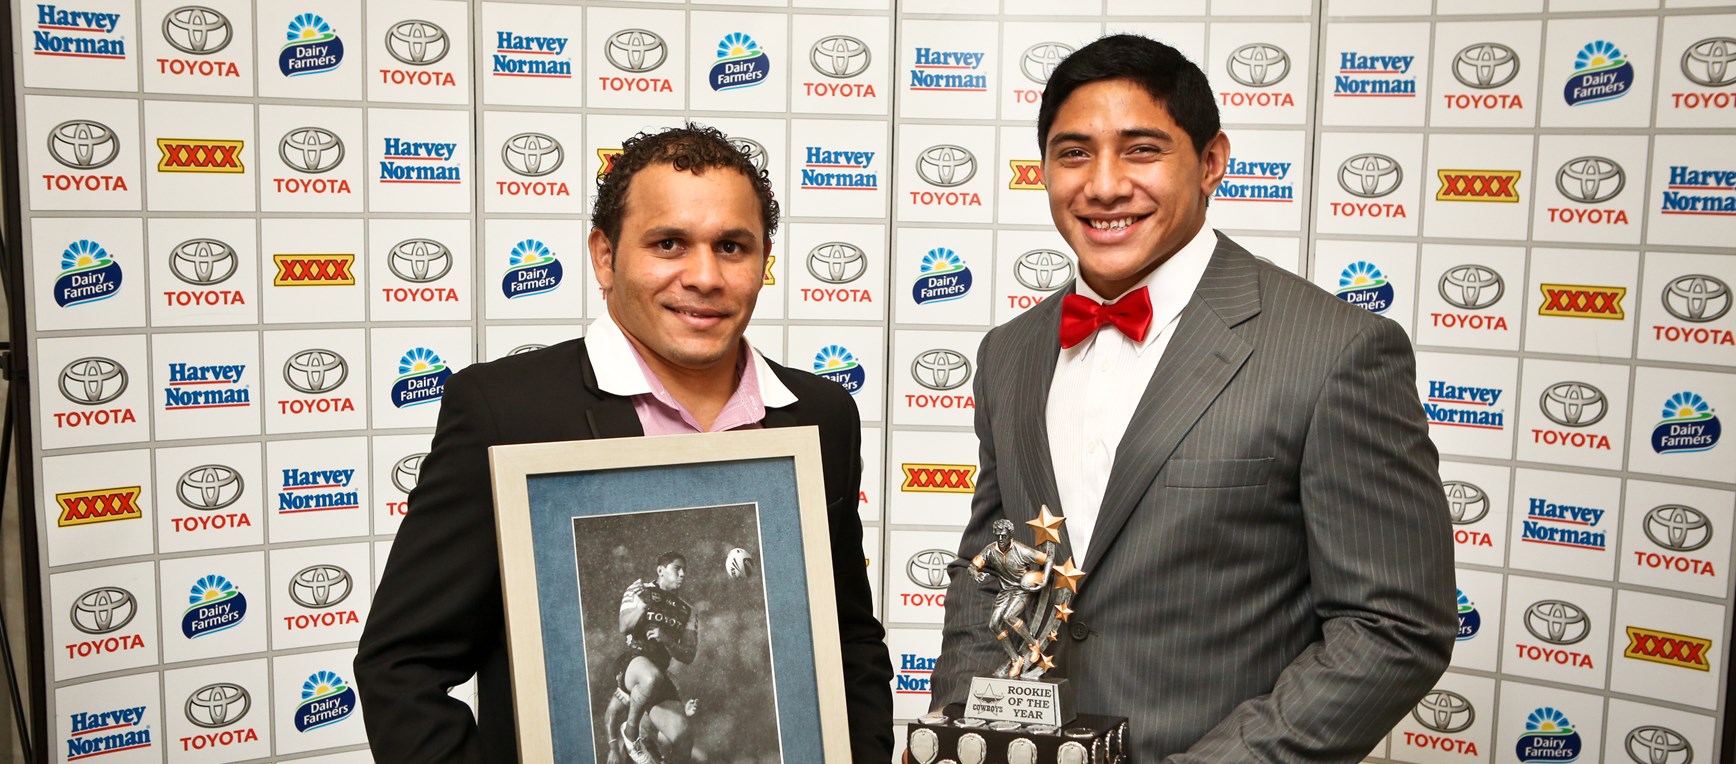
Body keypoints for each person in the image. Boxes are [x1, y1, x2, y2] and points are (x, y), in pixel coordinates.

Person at [929, 34, 1456, 760]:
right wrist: (960, 735)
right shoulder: (1009, 353)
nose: (1104, 186)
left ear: (1211, 162)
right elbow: (992, 574)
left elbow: (1394, 628)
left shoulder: (1338, 350)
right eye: (1074, 153)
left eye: (1141, 150)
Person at [355, 124, 894, 763]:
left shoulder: (821, 415)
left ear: (763, 261)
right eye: (669, 244)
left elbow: (847, 640)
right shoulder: (506, 412)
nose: (705, 276)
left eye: (731, 246)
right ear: (605, 257)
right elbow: (402, 667)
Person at [612, 553, 697, 764]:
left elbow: (688, 655)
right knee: (651, 677)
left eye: (684, 570)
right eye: (677, 568)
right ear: (660, 570)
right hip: (632, 661)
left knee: (684, 741)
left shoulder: (687, 610)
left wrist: (668, 641)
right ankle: (630, 733)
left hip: (659, 673)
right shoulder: (640, 590)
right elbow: (624, 626)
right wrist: (641, 607)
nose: (682, 574)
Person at [966, 518, 1049, 675]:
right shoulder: (990, 550)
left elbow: (1048, 558)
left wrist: (1044, 579)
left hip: (1022, 590)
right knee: (994, 625)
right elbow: (972, 566)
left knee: (1009, 617)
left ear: (1011, 534)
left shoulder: (1021, 550)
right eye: (997, 535)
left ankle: (1034, 644)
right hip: (1005, 592)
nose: (1000, 539)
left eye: (1004, 535)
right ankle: (1016, 659)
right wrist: (975, 573)